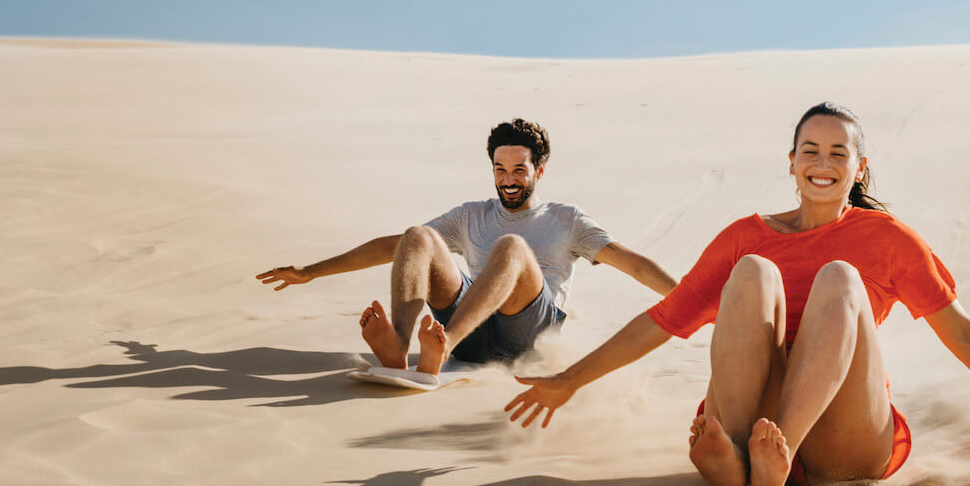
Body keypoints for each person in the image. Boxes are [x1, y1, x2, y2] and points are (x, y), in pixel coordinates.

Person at [505, 103, 970, 486]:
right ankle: (739, 455)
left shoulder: (886, 240)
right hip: (754, 412)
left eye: (838, 153)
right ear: (790, 163)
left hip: (848, 433)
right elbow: (663, 320)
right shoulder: (746, 236)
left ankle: (775, 457)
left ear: (859, 169)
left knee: (839, 277)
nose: (822, 163)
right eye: (810, 151)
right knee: (752, 273)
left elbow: (962, 334)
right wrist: (568, 381)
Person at [256, 119, 677, 373]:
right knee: (417, 237)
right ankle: (401, 345)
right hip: (475, 329)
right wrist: (311, 271)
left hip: (526, 336)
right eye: (499, 169)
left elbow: (633, 264)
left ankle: (443, 346)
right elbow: (394, 248)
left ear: (539, 170)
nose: (507, 179)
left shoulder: (566, 220)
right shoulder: (471, 215)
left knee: (511, 248)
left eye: (518, 169)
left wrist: (693, 301)